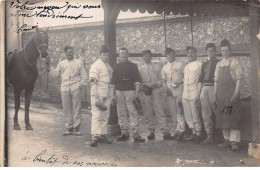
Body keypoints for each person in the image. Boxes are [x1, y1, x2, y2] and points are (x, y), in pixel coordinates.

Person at [139, 49, 176, 140]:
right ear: (142, 58)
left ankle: (165, 131)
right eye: (145, 56)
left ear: (151, 56)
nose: (147, 58)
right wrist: (143, 87)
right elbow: (138, 82)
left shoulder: (157, 66)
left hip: (156, 90)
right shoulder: (139, 69)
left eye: (148, 56)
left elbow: (163, 78)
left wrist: (156, 84)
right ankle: (151, 131)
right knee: (148, 112)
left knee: (160, 110)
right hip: (146, 92)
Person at [110, 47, 145, 143]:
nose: (123, 55)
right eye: (121, 53)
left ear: (128, 54)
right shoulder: (116, 67)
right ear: (119, 55)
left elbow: (137, 81)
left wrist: (137, 93)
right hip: (119, 92)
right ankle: (124, 132)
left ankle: (136, 133)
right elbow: (113, 82)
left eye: (125, 53)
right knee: (121, 113)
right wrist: (112, 95)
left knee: (133, 112)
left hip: (130, 92)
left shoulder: (133, 66)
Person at [50, 45, 87, 136]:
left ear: (73, 52)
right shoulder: (61, 63)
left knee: (76, 107)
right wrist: (49, 67)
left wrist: (80, 85)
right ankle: (69, 128)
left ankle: (77, 128)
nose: (69, 54)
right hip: (65, 87)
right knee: (66, 108)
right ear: (65, 53)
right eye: (67, 52)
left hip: (75, 86)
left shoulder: (78, 63)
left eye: (71, 52)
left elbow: (84, 75)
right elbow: (55, 75)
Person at [214, 39, 243, 151]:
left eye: (227, 50)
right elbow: (216, 81)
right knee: (223, 118)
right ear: (221, 51)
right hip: (221, 96)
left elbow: (239, 79)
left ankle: (234, 142)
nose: (225, 52)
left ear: (230, 50)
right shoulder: (219, 64)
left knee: (233, 117)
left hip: (231, 95)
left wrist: (235, 94)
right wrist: (215, 95)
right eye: (223, 50)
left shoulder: (235, 62)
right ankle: (226, 140)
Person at [88, 45, 113, 147]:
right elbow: (92, 82)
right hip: (97, 93)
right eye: (104, 54)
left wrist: (111, 95)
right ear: (100, 55)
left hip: (106, 93)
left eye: (107, 55)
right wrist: (96, 97)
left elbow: (110, 81)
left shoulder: (108, 66)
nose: (106, 56)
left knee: (105, 115)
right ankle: (95, 137)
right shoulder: (96, 65)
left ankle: (102, 135)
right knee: (96, 115)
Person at [161, 48, 187, 141]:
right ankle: (176, 129)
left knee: (180, 110)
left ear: (174, 54)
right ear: (166, 56)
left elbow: (186, 77)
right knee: (173, 112)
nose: (170, 56)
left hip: (179, 90)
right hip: (169, 91)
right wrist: (165, 88)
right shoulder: (165, 67)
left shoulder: (181, 64)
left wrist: (180, 83)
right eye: (168, 55)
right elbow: (163, 80)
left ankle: (182, 131)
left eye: (172, 54)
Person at [198, 43, 220, 144]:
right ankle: (210, 136)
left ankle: (223, 136)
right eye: (208, 51)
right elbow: (200, 80)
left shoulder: (219, 63)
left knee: (218, 112)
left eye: (212, 50)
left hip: (214, 88)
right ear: (206, 52)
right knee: (206, 114)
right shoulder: (204, 64)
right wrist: (199, 94)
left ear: (215, 51)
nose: (210, 53)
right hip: (204, 88)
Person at [182, 46, 203, 143]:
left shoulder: (200, 65)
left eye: (192, 52)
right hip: (186, 93)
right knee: (188, 115)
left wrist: (198, 95)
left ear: (196, 53)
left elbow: (200, 81)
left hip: (194, 91)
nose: (190, 54)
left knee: (195, 113)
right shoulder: (186, 66)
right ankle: (193, 132)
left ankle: (199, 133)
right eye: (188, 53)